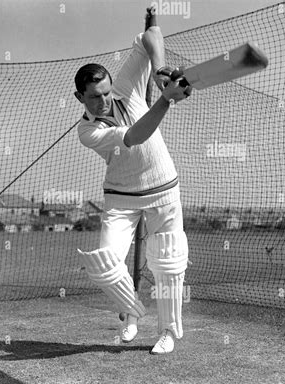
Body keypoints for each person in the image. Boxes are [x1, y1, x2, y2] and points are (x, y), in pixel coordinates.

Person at [75, 9, 192, 354]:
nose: (105, 100)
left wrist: (158, 70)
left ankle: (168, 332)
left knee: (169, 263)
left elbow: (148, 37)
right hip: (121, 198)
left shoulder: (124, 88)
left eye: (107, 92)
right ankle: (131, 315)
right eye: (95, 96)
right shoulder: (88, 131)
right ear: (81, 98)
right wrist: (166, 98)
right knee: (104, 263)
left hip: (163, 189)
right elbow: (138, 135)